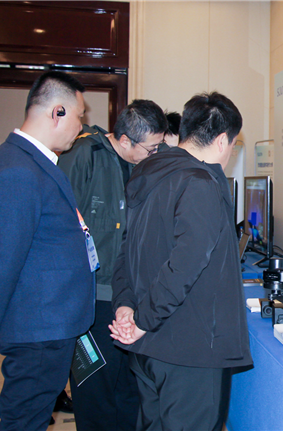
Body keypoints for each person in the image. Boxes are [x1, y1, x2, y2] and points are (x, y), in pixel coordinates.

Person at [110, 92, 253, 431]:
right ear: (222, 141)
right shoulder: (200, 183)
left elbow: (126, 251)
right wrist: (142, 319)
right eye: (233, 145)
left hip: (149, 348)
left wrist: (126, 307)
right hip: (189, 352)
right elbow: (184, 267)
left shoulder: (147, 174)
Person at [0, 71, 95, 431]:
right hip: (38, 327)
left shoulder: (35, 162)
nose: (81, 126)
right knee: (23, 422)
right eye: (79, 115)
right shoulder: (18, 169)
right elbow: (6, 256)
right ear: (57, 111)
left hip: (48, 322)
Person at [58, 99, 168, 431]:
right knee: (95, 391)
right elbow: (60, 227)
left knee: (130, 389)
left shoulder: (144, 165)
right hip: (92, 298)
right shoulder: (84, 156)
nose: (155, 153)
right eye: (151, 148)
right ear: (124, 140)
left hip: (131, 297)